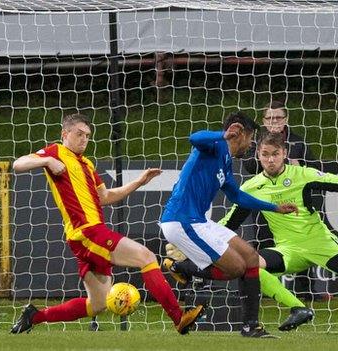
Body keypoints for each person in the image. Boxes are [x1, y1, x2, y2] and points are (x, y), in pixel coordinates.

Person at [165, 132, 338, 336]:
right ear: (258, 156)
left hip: (320, 243)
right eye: (264, 155)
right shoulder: (252, 186)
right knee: (252, 266)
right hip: (288, 249)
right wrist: (190, 243)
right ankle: (298, 308)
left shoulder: (303, 174)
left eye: (275, 154)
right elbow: (229, 222)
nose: (270, 160)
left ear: (284, 153)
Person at [10, 113, 203, 334]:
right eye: (79, 134)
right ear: (65, 134)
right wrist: (46, 160)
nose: (84, 139)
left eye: (88, 136)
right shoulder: (56, 152)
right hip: (86, 232)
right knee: (146, 257)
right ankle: (178, 317)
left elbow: (106, 196)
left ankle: (35, 316)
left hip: (86, 237)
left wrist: (139, 181)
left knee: (98, 304)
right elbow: (18, 164)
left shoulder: (87, 165)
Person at [159, 112, 298, 338]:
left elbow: (237, 196)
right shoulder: (214, 145)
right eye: (251, 138)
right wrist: (222, 135)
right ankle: (181, 267)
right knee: (235, 268)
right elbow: (194, 138)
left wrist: (274, 207)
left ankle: (250, 326)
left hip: (200, 221)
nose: (252, 144)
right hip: (181, 220)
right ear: (238, 132)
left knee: (251, 258)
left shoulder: (225, 160)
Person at [243, 99, 338, 299]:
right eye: (270, 118)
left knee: (301, 246)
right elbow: (248, 167)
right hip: (264, 202)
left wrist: (300, 166)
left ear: (286, 120)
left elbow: (314, 167)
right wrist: (267, 162)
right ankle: (266, 290)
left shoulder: (297, 142)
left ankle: (305, 292)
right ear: (263, 121)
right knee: (264, 243)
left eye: (278, 117)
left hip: (293, 204)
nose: (274, 122)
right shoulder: (256, 142)